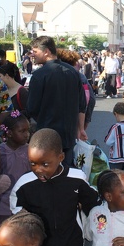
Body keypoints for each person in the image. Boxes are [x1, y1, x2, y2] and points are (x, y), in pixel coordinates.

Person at [10, 128, 99, 246]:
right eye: (33, 163)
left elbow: (92, 201)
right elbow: (16, 210)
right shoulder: (24, 184)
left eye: (45, 164)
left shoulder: (76, 178)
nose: (38, 170)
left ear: (60, 157)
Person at [26, 36, 87, 166]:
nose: (32, 55)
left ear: (46, 51)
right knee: (66, 174)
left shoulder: (39, 75)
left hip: (46, 136)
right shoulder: (73, 72)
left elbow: (31, 108)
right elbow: (82, 105)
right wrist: (80, 128)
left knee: (48, 174)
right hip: (69, 135)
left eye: (35, 51)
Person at [0, 111, 30, 226]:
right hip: (3, 205)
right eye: (22, 131)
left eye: (27, 130)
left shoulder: (30, 151)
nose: (27, 134)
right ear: (9, 133)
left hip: (24, 203)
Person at [56, 48, 95, 131]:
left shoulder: (58, 76)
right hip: (79, 116)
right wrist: (85, 123)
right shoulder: (80, 76)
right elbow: (91, 99)